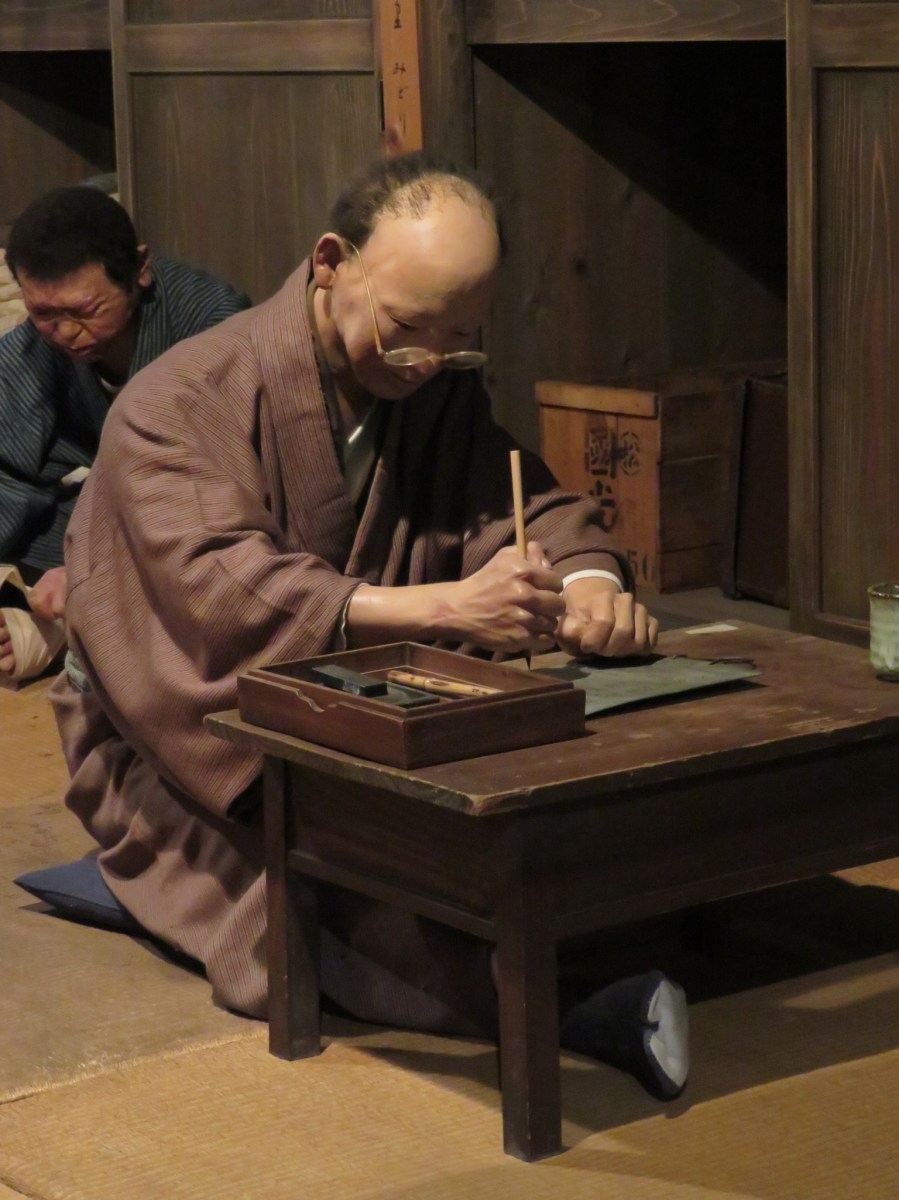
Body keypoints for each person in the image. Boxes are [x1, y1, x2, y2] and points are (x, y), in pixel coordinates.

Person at [50, 152, 688, 1100]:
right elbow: (219, 586)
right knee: (346, 894)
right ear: (330, 263)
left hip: (370, 720)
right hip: (197, 745)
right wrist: (444, 607)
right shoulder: (179, 400)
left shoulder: (431, 388)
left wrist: (587, 581)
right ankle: (579, 1011)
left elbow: (522, 506)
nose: (425, 359)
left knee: (557, 828)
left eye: (457, 338)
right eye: (405, 326)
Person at [0, 185, 252, 687]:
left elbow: (221, 487)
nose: (64, 332)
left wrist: (94, 567)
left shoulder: (213, 324)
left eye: (86, 310)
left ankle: (78, 617)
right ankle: (56, 610)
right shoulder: (38, 343)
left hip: (191, 512)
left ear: (139, 269)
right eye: (44, 314)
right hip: (96, 505)